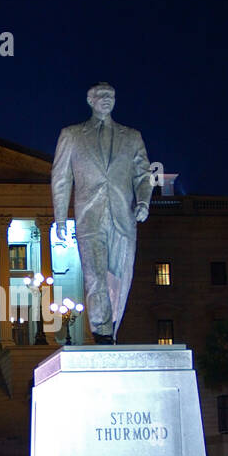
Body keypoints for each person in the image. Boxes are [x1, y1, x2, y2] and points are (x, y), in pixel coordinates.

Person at [50, 82, 152, 343]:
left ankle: (113, 328)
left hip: (123, 217)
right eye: (101, 96)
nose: (107, 100)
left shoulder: (132, 137)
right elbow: (61, 178)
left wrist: (143, 202)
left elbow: (143, 175)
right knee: (95, 276)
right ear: (90, 100)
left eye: (111, 96)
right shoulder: (72, 135)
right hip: (89, 217)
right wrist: (60, 218)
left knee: (120, 276)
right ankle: (102, 331)